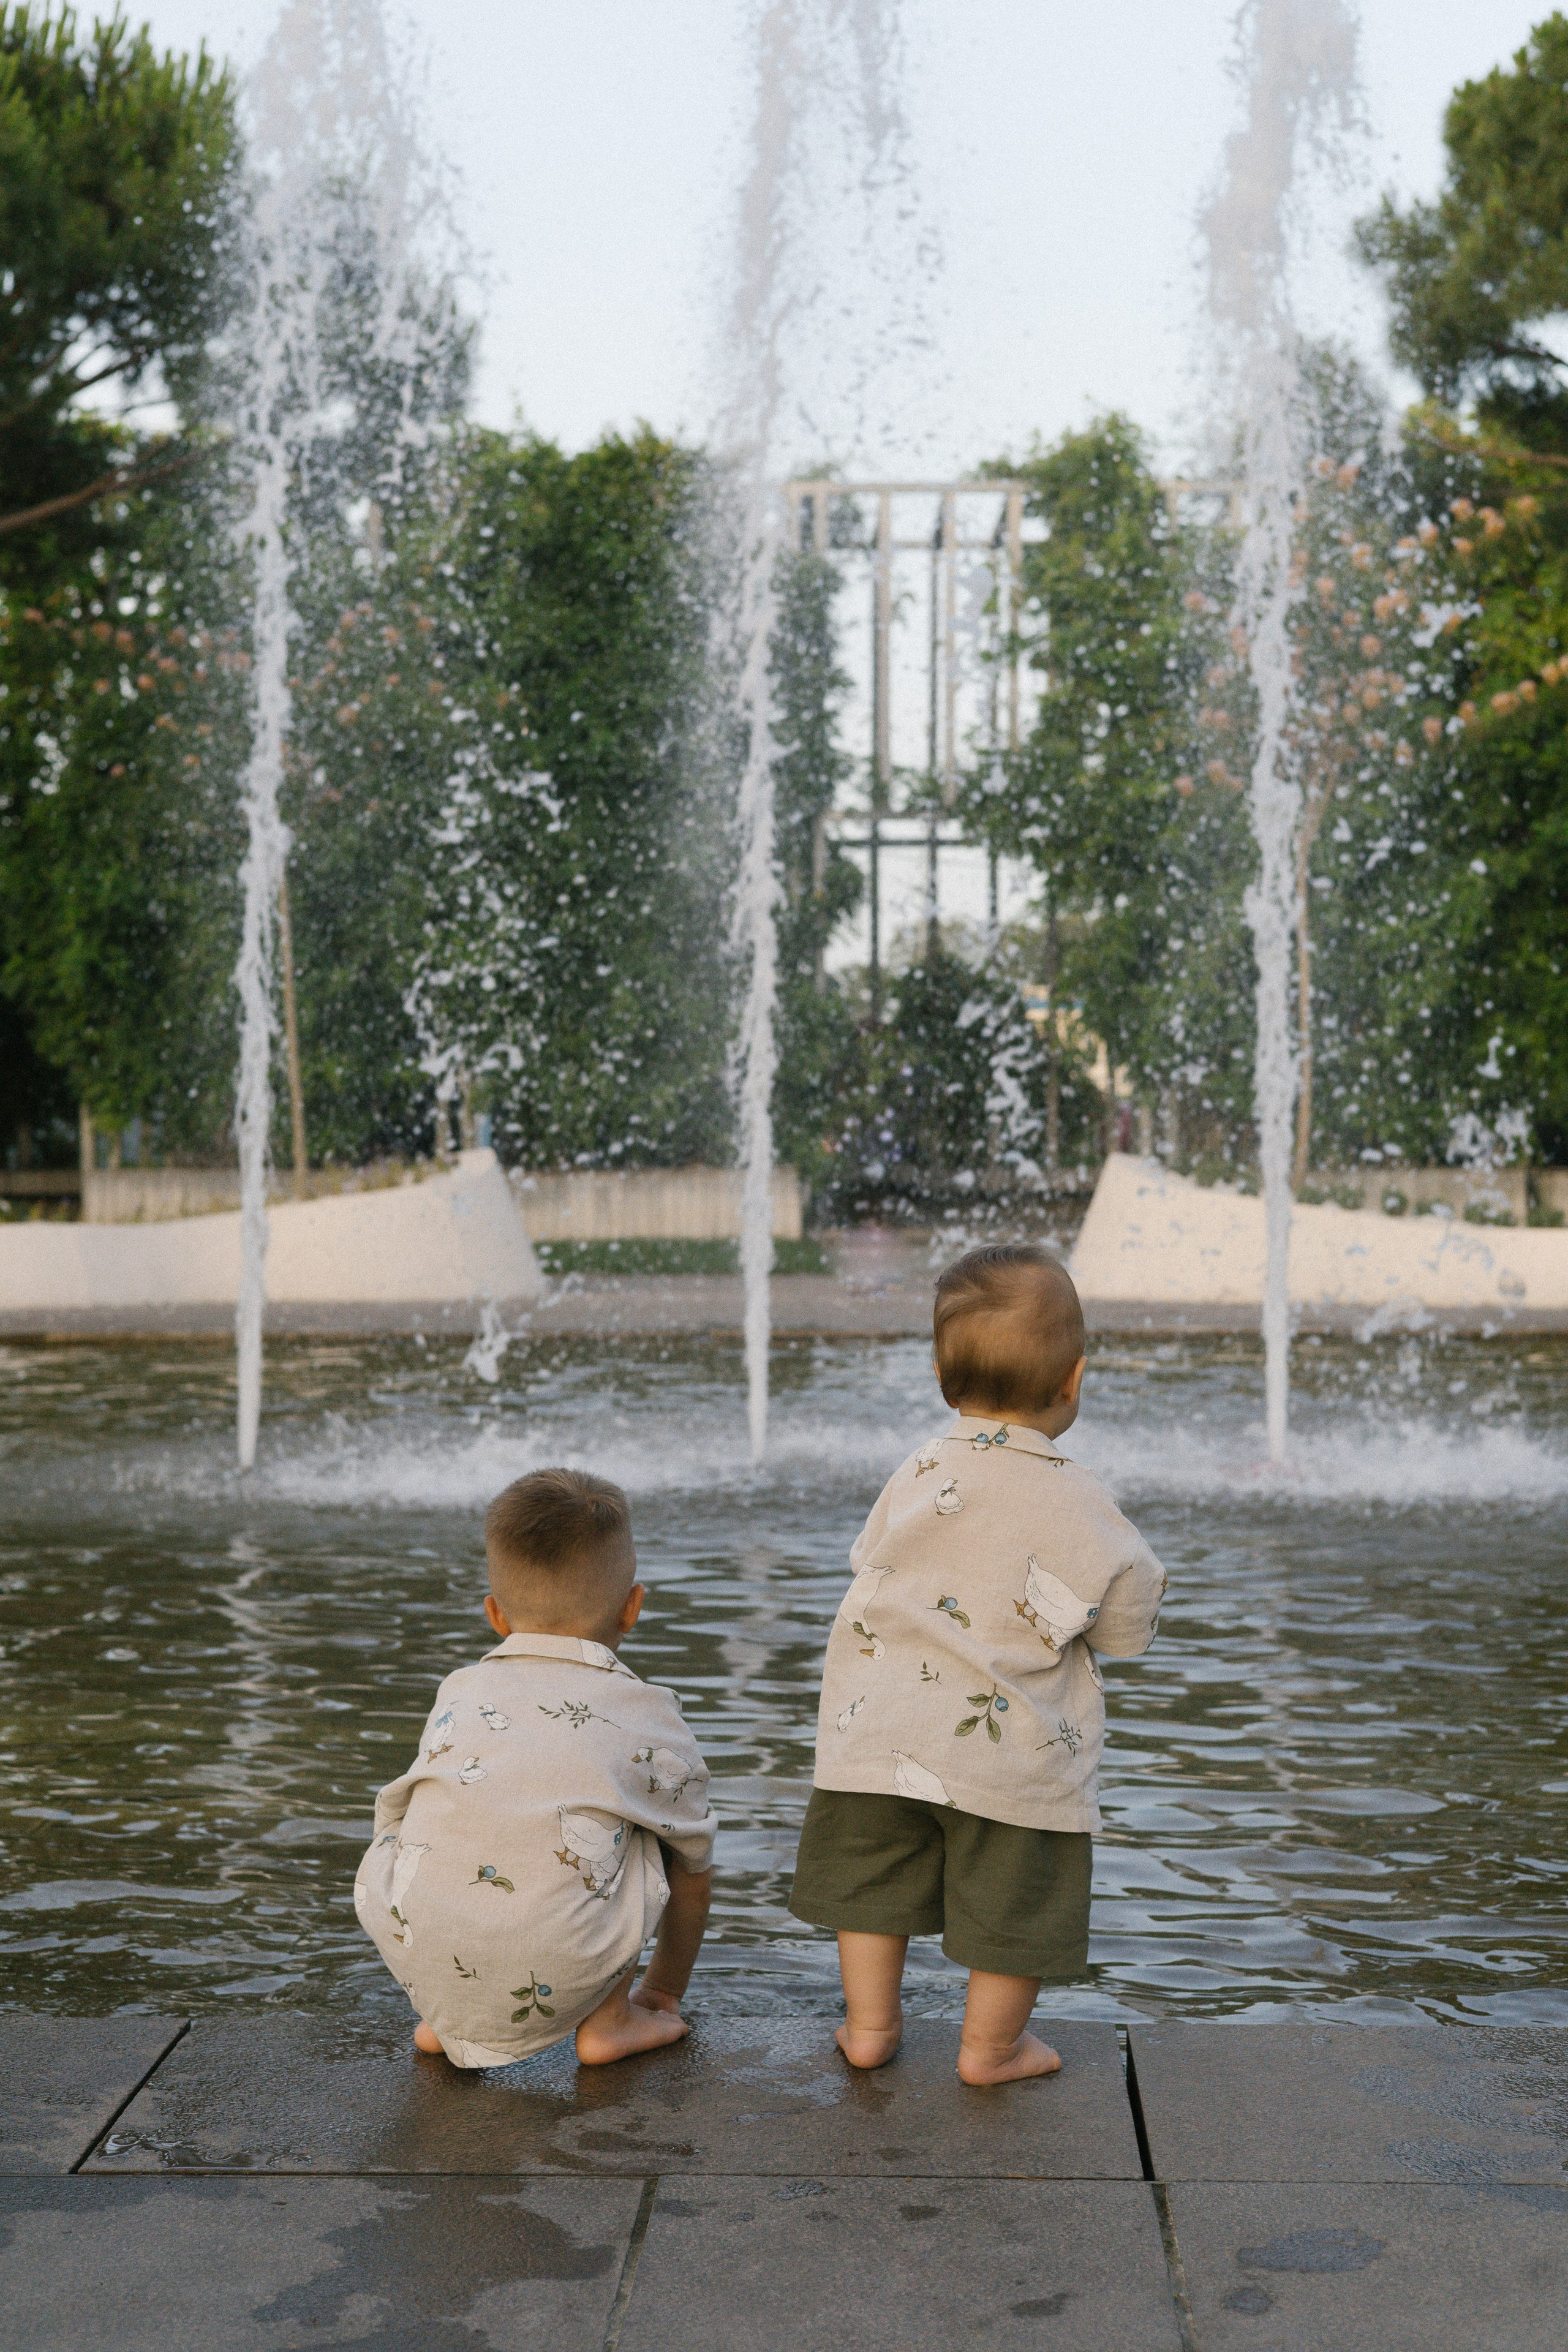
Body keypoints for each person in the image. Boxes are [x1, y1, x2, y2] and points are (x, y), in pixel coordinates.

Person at [789, 1242, 1166, 2085]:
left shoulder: (920, 1468)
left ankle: (869, 2028)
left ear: (939, 1375)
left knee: (873, 1882)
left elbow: (867, 1561)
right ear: (1074, 1380)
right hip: (1011, 1750)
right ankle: (992, 2050)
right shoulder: (1079, 1495)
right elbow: (1127, 1625)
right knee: (1015, 1900)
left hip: (876, 1731)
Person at [355, 1466, 715, 2068]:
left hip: (412, 1938)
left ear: (495, 1615)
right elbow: (695, 1867)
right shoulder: (646, 1712)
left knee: (442, 1815)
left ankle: (448, 2019)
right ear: (632, 1608)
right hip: (564, 1957)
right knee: (664, 1834)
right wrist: (664, 1991)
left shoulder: (459, 1690)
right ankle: (616, 2018)